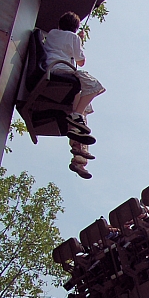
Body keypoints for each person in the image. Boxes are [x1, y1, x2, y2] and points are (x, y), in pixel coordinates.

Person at [42, 11, 106, 180]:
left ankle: (79, 158)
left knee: (83, 109)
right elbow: (81, 61)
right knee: (94, 86)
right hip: (62, 70)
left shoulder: (52, 34)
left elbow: (65, 46)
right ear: (76, 28)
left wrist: (76, 38)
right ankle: (76, 117)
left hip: (53, 68)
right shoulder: (74, 38)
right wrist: (79, 40)